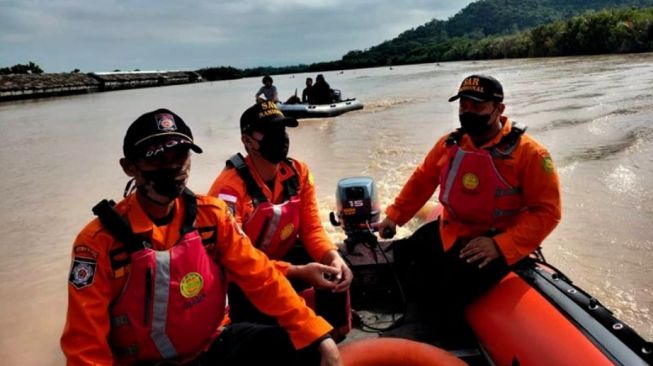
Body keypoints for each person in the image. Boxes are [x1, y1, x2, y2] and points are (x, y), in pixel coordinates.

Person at [60, 108, 341, 366]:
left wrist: (316, 332)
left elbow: (261, 276)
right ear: (129, 167)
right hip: (146, 363)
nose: (172, 168)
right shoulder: (98, 244)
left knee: (307, 346)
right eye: (158, 158)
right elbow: (85, 344)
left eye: (180, 156)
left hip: (212, 346)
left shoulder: (211, 217)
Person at [376, 75, 561, 342]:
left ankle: (434, 334)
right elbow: (422, 179)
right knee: (406, 253)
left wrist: (500, 245)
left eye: (478, 106)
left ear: (499, 109)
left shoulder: (531, 154)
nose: (468, 112)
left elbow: (548, 212)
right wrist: (394, 217)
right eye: (464, 106)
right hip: (451, 230)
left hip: (493, 242)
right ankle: (411, 312)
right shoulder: (450, 144)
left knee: (450, 284)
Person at [208, 101, 353, 339]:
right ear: (247, 141)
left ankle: (335, 335)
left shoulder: (298, 173)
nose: (280, 138)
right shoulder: (228, 191)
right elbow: (234, 263)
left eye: (282, 131)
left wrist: (333, 257)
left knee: (335, 267)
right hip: (246, 278)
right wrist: (296, 272)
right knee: (269, 336)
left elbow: (311, 229)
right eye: (270, 132)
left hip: (285, 260)